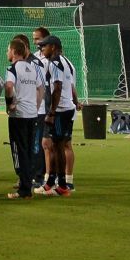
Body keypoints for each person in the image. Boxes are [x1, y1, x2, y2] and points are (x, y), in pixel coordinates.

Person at [2, 35, 46, 200]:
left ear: (13, 52)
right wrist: (35, 105)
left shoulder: (12, 69)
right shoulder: (32, 68)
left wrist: (10, 103)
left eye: (8, 50)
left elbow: (8, 86)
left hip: (18, 115)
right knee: (28, 150)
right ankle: (27, 186)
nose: (7, 52)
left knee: (19, 151)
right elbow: (41, 89)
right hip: (32, 115)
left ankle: (24, 189)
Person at [39, 35, 79, 195]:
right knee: (57, 146)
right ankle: (51, 182)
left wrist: (52, 112)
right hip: (67, 108)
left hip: (60, 111)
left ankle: (61, 185)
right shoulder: (66, 62)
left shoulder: (55, 63)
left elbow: (57, 87)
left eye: (44, 46)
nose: (41, 49)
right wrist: (75, 101)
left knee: (58, 147)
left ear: (53, 47)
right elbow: (71, 85)